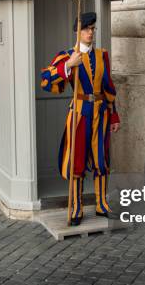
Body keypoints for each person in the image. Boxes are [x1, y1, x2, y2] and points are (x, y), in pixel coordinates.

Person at [40, 12, 120, 225]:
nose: (90, 33)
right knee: (77, 160)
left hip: (101, 112)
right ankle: (76, 208)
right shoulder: (67, 56)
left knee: (101, 159)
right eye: (86, 29)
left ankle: (102, 204)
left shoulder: (102, 55)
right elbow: (46, 82)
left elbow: (109, 88)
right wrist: (67, 66)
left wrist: (114, 116)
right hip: (79, 114)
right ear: (77, 31)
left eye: (92, 29)